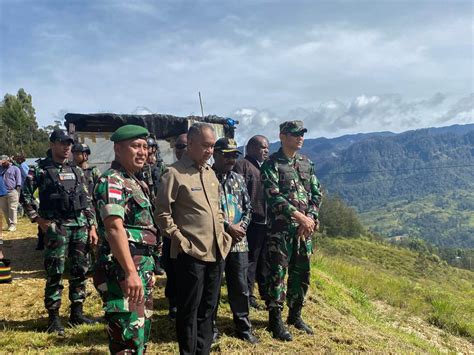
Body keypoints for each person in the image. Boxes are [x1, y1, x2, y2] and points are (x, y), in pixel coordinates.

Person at [155, 122, 232, 355]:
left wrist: (224, 235)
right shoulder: (174, 173)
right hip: (191, 254)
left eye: (212, 146)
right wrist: (180, 239)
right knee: (189, 310)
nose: (210, 151)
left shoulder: (210, 174)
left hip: (216, 250)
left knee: (209, 309)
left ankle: (203, 351)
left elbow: (217, 209)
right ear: (190, 143)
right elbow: (161, 213)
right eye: (206, 146)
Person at [21, 130, 98, 335]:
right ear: (52, 144)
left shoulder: (77, 170)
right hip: (57, 228)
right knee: (55, 272)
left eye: (69, 144)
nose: (66, 147)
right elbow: (25, 195)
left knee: (80, 271)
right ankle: (54, 318)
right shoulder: (40, 169)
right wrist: (38, 219)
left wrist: (91, 226)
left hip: (80, 226)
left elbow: (87, 200)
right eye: (62, 143)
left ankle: (77, 313)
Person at [93, 125, 158, 354]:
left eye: (144, 146)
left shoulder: (134, 181)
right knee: (127, 339)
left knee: (139, 334)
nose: (142, 152)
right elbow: (113, 228)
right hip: (122, 271)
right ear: (118, 149)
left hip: (140, 269)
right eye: (135, 146)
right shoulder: (113, 180)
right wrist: (131, 272)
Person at [261, 121, 322, 341]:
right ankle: (275, 321)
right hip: (281, 232)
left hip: (304, 232)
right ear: (283, 136)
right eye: (295, 134)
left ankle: (295, 315)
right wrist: (300, 217)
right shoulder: (271, 164)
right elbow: (273, 196)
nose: (300, 138)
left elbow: (317, 193)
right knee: (277, 274)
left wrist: (311, 219)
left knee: (301, 273)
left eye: (302, 134)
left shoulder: (306, 163)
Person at [212, 138, 258, 344]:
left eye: (234, 155)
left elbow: (248, 207)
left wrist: (242, 227)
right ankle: (210, 329)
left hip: (239, 242)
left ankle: (243, 327)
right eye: (226, 155)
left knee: (240, 287)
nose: (231, 159)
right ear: (215, 154)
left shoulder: (238, 179)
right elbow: (208, 213)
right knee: (211, 288)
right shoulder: (207, 178)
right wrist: (227, 227)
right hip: (214, 243)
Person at [233, 135, 270, 310]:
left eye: (267, 147)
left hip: (264, 222)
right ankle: (247, 295)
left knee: (262, 259)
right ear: (252, 148)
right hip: (251, 222)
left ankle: (263, 291)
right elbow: (239, 194)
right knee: (249, 260)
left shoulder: (262, 167)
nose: (266, 150)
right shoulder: (242, 165)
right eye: (263, 147)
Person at [162, 133, 188, 320]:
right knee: (173, 271)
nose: (181, 150)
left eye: (184, 146)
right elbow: (162, 208)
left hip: (196, 236)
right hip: (173, 234)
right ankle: (173, 305)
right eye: (178, 147)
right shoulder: (168, 173)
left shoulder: (205, 172)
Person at [0, 155, 22, 231]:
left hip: (12, 191)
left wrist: (17, 191)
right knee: (5, 209)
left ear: (8, 161)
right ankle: (9, 224)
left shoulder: (15, 169)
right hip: (2, 192)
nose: (3, 163)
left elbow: (19, 180)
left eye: (4, 162)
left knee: (12, 208)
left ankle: (13, 225)